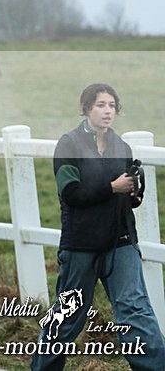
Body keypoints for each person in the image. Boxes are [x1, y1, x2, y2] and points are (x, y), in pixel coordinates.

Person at [30, 83, 165, 370]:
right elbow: (72, 193)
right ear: (86, 108)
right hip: (81, 245)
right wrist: (112, 187)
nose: (107, 111)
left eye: (112, 105)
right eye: (100, 105)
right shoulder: (69, 144)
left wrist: (132, 195)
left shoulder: (122, 147)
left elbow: (125, 199)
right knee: (68, 317)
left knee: (136, 311)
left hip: (121, 242)